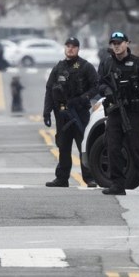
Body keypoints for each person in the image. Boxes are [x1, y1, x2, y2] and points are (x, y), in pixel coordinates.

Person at [97, 31, 139, 196]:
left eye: (119, 42)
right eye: (114, 43)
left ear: (127, 43)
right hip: (114, 113)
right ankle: (117, 185)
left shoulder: (138, 65)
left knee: (137, 149)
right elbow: (99, 84)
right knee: (113, 149)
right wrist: (107, 90)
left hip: (133, 113)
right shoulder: (106, 64)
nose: (116, 46)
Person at [43, 37, 98, 188]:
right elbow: (49, 90)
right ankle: (62, 178)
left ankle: (89, 178)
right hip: (62, 113)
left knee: (83, 146)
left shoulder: (85, 66)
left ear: (78, 49)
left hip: (79, 112)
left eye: (74, 46)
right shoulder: (58, 68)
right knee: (63, 146)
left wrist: (82, 98)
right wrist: (46, 112)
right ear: (65, 48)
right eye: (68, 46)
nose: (70, 49)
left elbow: (96, 86)